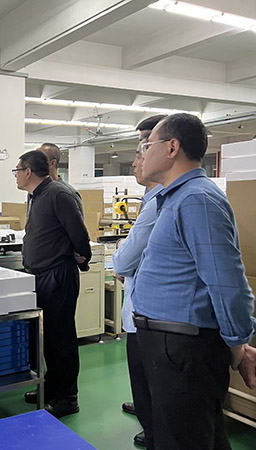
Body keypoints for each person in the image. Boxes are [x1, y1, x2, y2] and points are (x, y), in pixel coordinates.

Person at [132, 113, 256, 450]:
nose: (142, 154)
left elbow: (227, 283)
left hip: (183, 348)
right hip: (170, 345)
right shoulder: (175, 198)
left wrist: (238, 345)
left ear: (172, 148)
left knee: (184, 439)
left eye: (147, 145)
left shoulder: (197, 199)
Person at [14, 150, 92, 418]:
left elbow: (79, 234)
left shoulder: (59, 194)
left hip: (58, 276)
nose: (15, 175)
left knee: (61, 338)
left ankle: (68, 398)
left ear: (28, 172)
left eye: (16, 170)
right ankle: (52, 387)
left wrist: (83, 257)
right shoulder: (36, 196)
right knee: (46, 338)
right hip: (40, 276)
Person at [112, 114, 166, 448]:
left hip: (152, 315)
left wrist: (122, 252)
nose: (136, 161)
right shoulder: (153, 197)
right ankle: (149, 412)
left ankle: (153, 424)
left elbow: (127, 258)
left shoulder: (166, 199)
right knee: (144, 375)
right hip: (144, 308)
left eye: (143, 150)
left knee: (147, 373)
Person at [37, 143, 83, 216]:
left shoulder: (67, 193)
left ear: (52, 163)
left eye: (39, 161)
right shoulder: (35, 192)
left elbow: (76, 222)